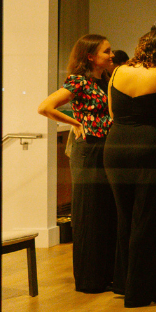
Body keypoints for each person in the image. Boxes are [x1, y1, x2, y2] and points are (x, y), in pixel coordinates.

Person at [104, 29, 156, 307]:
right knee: (148, 218)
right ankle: (142, 290)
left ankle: (124, 282)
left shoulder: (117, 73)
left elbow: (113, 114)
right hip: (152, 147)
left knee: (124, 216)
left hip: (116, 146)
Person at [37, 33, 116, 293]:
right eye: (106, 51)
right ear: (91, 56)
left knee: (103, 211)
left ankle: (104, 274)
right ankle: (89, 278)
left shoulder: (104, 80)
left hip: (103, 148)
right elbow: (45, 106)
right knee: (88, 212)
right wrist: (75, 122)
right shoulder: (79, 81)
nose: (111, 55)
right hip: (88, 149)